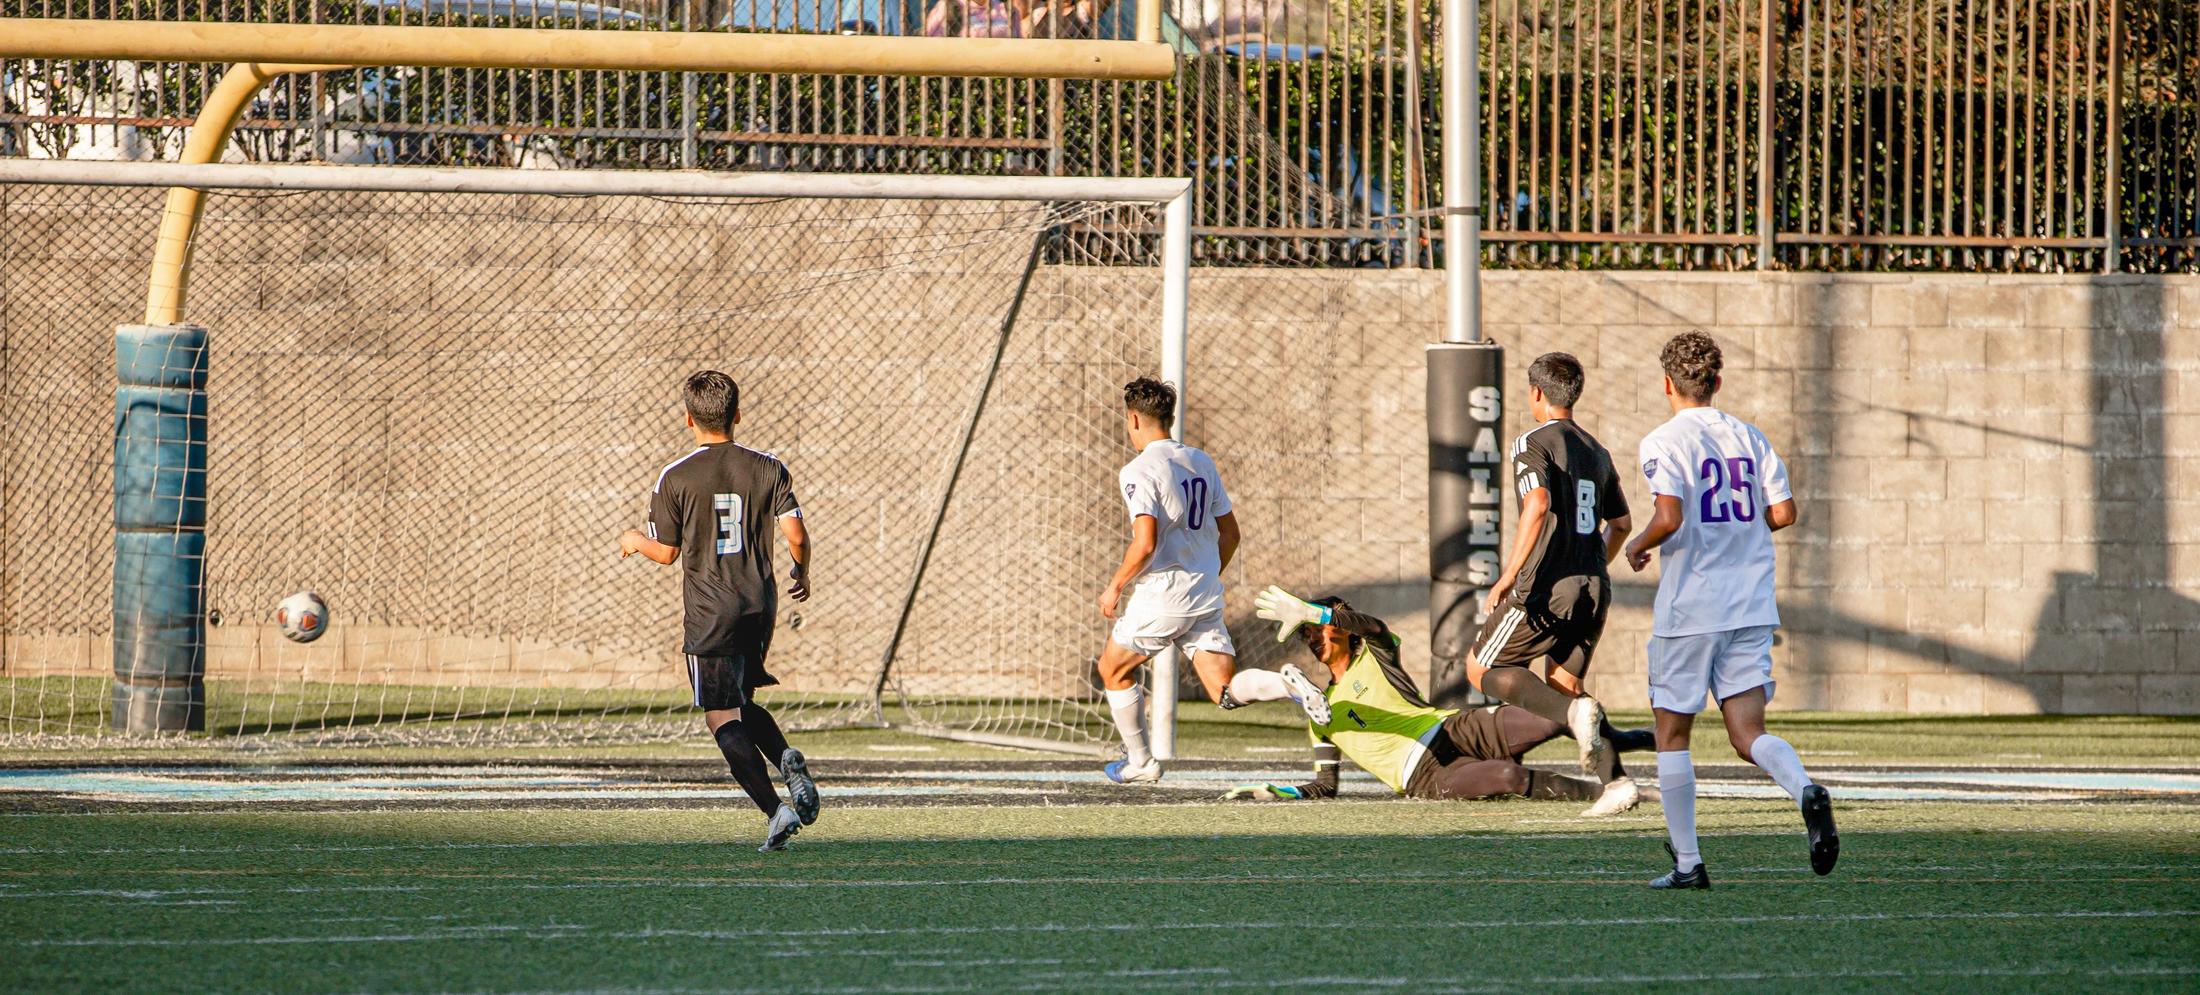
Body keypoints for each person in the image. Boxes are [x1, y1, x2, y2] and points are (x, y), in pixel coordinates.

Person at [1623, 332, 1838, 889]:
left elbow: (1668, 516)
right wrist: (1741, 531)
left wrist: (1638, 543)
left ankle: (1689, 864)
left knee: (1672, 733)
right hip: (1749, 604)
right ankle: (1806, 790)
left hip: (1693, 608)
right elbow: (1784, 512)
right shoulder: (1750, 435)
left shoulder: (1662, 440)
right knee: (1747, 734)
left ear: (1667, 384)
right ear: (1717, 383)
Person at [620, 370, 819, 853]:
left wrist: (633, 542)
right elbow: (795, 534)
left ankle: (776, 813)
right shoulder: (769, 466)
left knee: (720, 717)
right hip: (759, 606)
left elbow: (666, 552)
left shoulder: (676, 475)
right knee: (743, 702)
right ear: (737, 415)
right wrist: (802, 572)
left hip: (711, 611)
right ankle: (787, 760)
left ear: (689, 418)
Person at [1098, 377, 1327, 784]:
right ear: (1168, 418)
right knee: (1224, 690)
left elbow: (1145, 541)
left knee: (1113, 669)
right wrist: (1205, 576)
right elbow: (1231, 533)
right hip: (1205, 592)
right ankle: (1287, 685)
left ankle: (1141, 762)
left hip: (1163, 594)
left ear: (1134, 419)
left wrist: (1115, 585)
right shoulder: (1200, 461)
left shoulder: (1138, 470)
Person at [1241, 588, 1650, 813]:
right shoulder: (1319, 709)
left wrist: (1323, 614)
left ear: (1343, 629)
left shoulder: (1376, 655)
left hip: (1455, 729)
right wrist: (1278, 791)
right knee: (1508, 779)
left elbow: (1377, 627)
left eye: (1317, 628)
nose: (1312, 638)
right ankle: (1610, 796)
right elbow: (1325, 787)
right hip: (1424, 778)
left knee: (1558, 712)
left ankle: (1643, 747)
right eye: (1306, 633)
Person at [1467, 352, 1638, 806]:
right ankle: (1617, 784)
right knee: (1565, 687)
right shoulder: (1597, 450)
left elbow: (1537, 504)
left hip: (1548, 586)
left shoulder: (1532, 441)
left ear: (1536, 393)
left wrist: (1509, 575)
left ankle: (1577, 720)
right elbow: (1621, 523)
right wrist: (1592, 560)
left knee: (1482, 667)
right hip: (1594, 588)